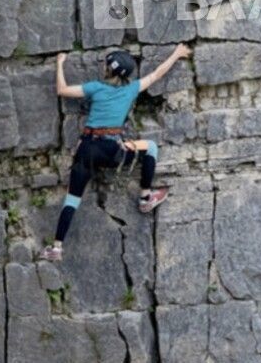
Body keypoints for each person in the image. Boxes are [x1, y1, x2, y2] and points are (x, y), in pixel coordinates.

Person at [40, 44, 192, 262]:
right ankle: (145, 198)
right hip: (111, 152)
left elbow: (62, 90)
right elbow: (157, 74)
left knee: (72, 200)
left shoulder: (95, 88)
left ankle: (56, 248)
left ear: (109, 70)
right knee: (150, 147)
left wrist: (59, 63)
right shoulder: (130, 89)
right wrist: (177, 54)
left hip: (86, 151)